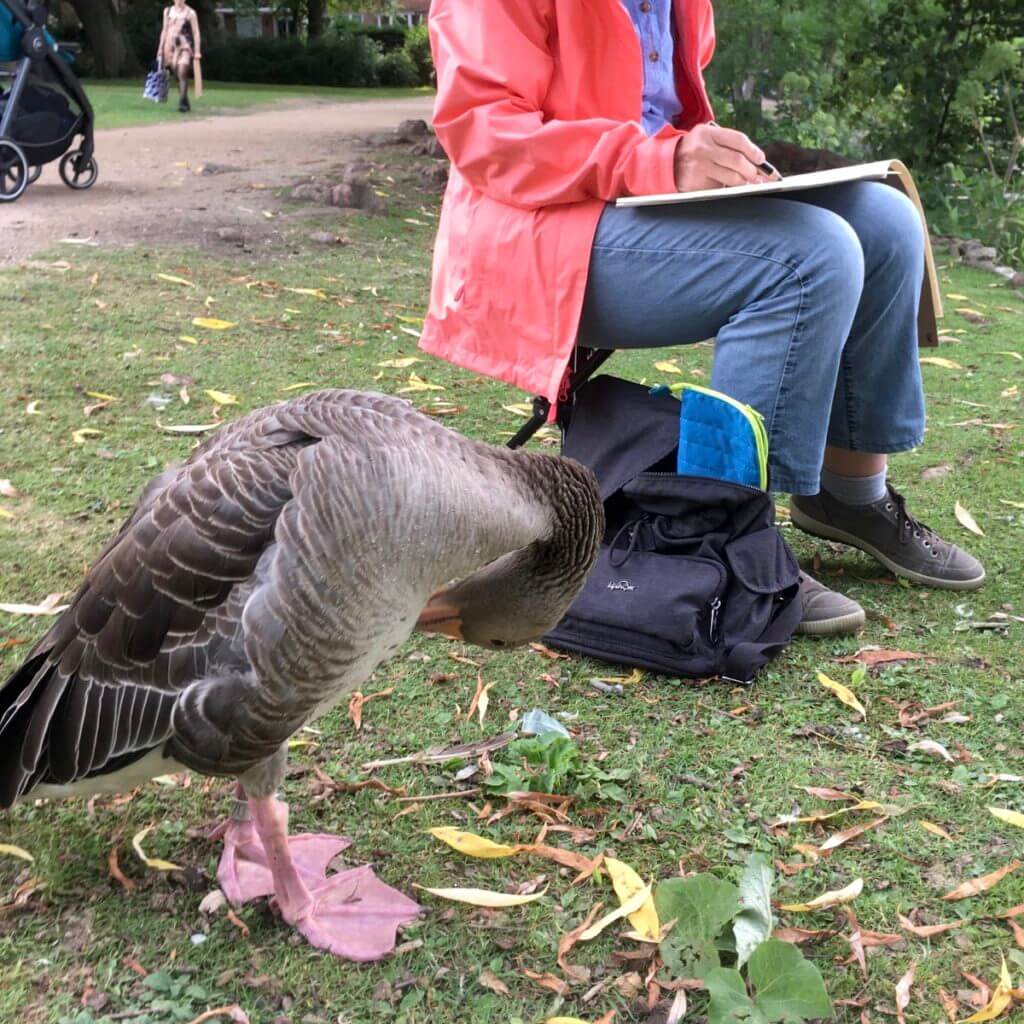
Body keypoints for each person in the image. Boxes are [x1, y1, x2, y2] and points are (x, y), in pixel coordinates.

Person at [420, 0, 984, 637]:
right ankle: (718, 535)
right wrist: (659, 162)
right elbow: (484, 133)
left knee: (887, 223)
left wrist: (712, 162)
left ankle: (846, 496)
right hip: (539, 232)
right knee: (809, 258)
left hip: (639, 200)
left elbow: (654, 109)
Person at [157, 0, 201, 114]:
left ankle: (182, 103)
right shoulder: (167, 12)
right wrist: (160, 48)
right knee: (177, 75)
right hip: (169, 48)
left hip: (185, 47)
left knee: (182, 72)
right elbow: (164, 30)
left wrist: (197, 51)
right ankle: (185, 101)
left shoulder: (191, 13)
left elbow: (196, 33)